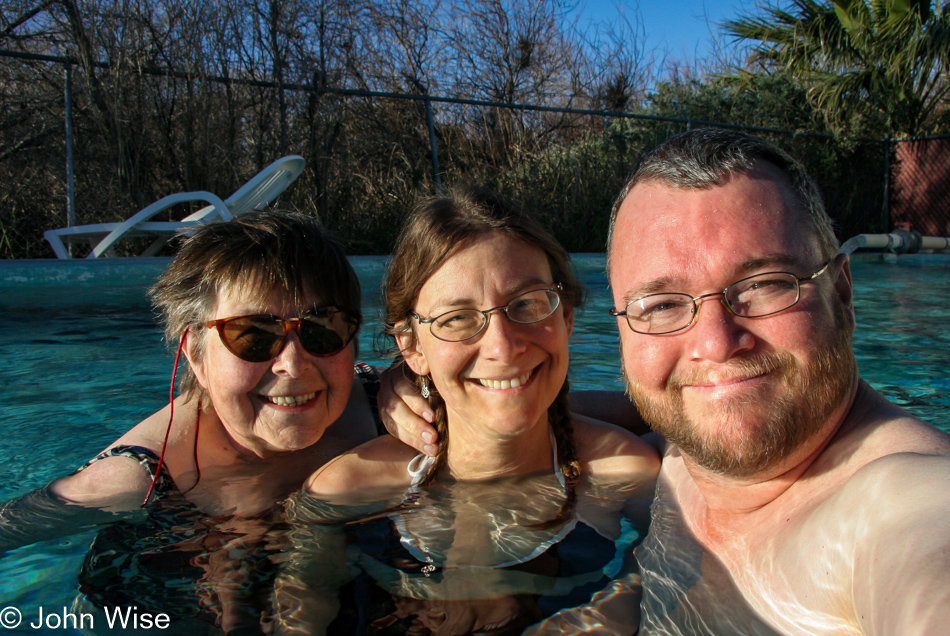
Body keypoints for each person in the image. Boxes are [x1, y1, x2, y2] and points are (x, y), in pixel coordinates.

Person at [604, 129, 950, 634]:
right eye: (661, 305)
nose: (716, 344)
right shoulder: (670, 454)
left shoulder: (897, 502)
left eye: (764, 285)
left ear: (844, 296)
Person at [276, 186, 659, 633]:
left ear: (566, 318)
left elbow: (680, 584)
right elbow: (298, 616)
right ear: (412, 347)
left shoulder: (627, 473)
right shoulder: (344, 490)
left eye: (527, 304)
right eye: (456, 318)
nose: (502, 345)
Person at [0, 210, 383, 631]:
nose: (293, 364)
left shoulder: (383, 403)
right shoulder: (136, 482)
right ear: (195, 354)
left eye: (322, 327)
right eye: (253, 334)